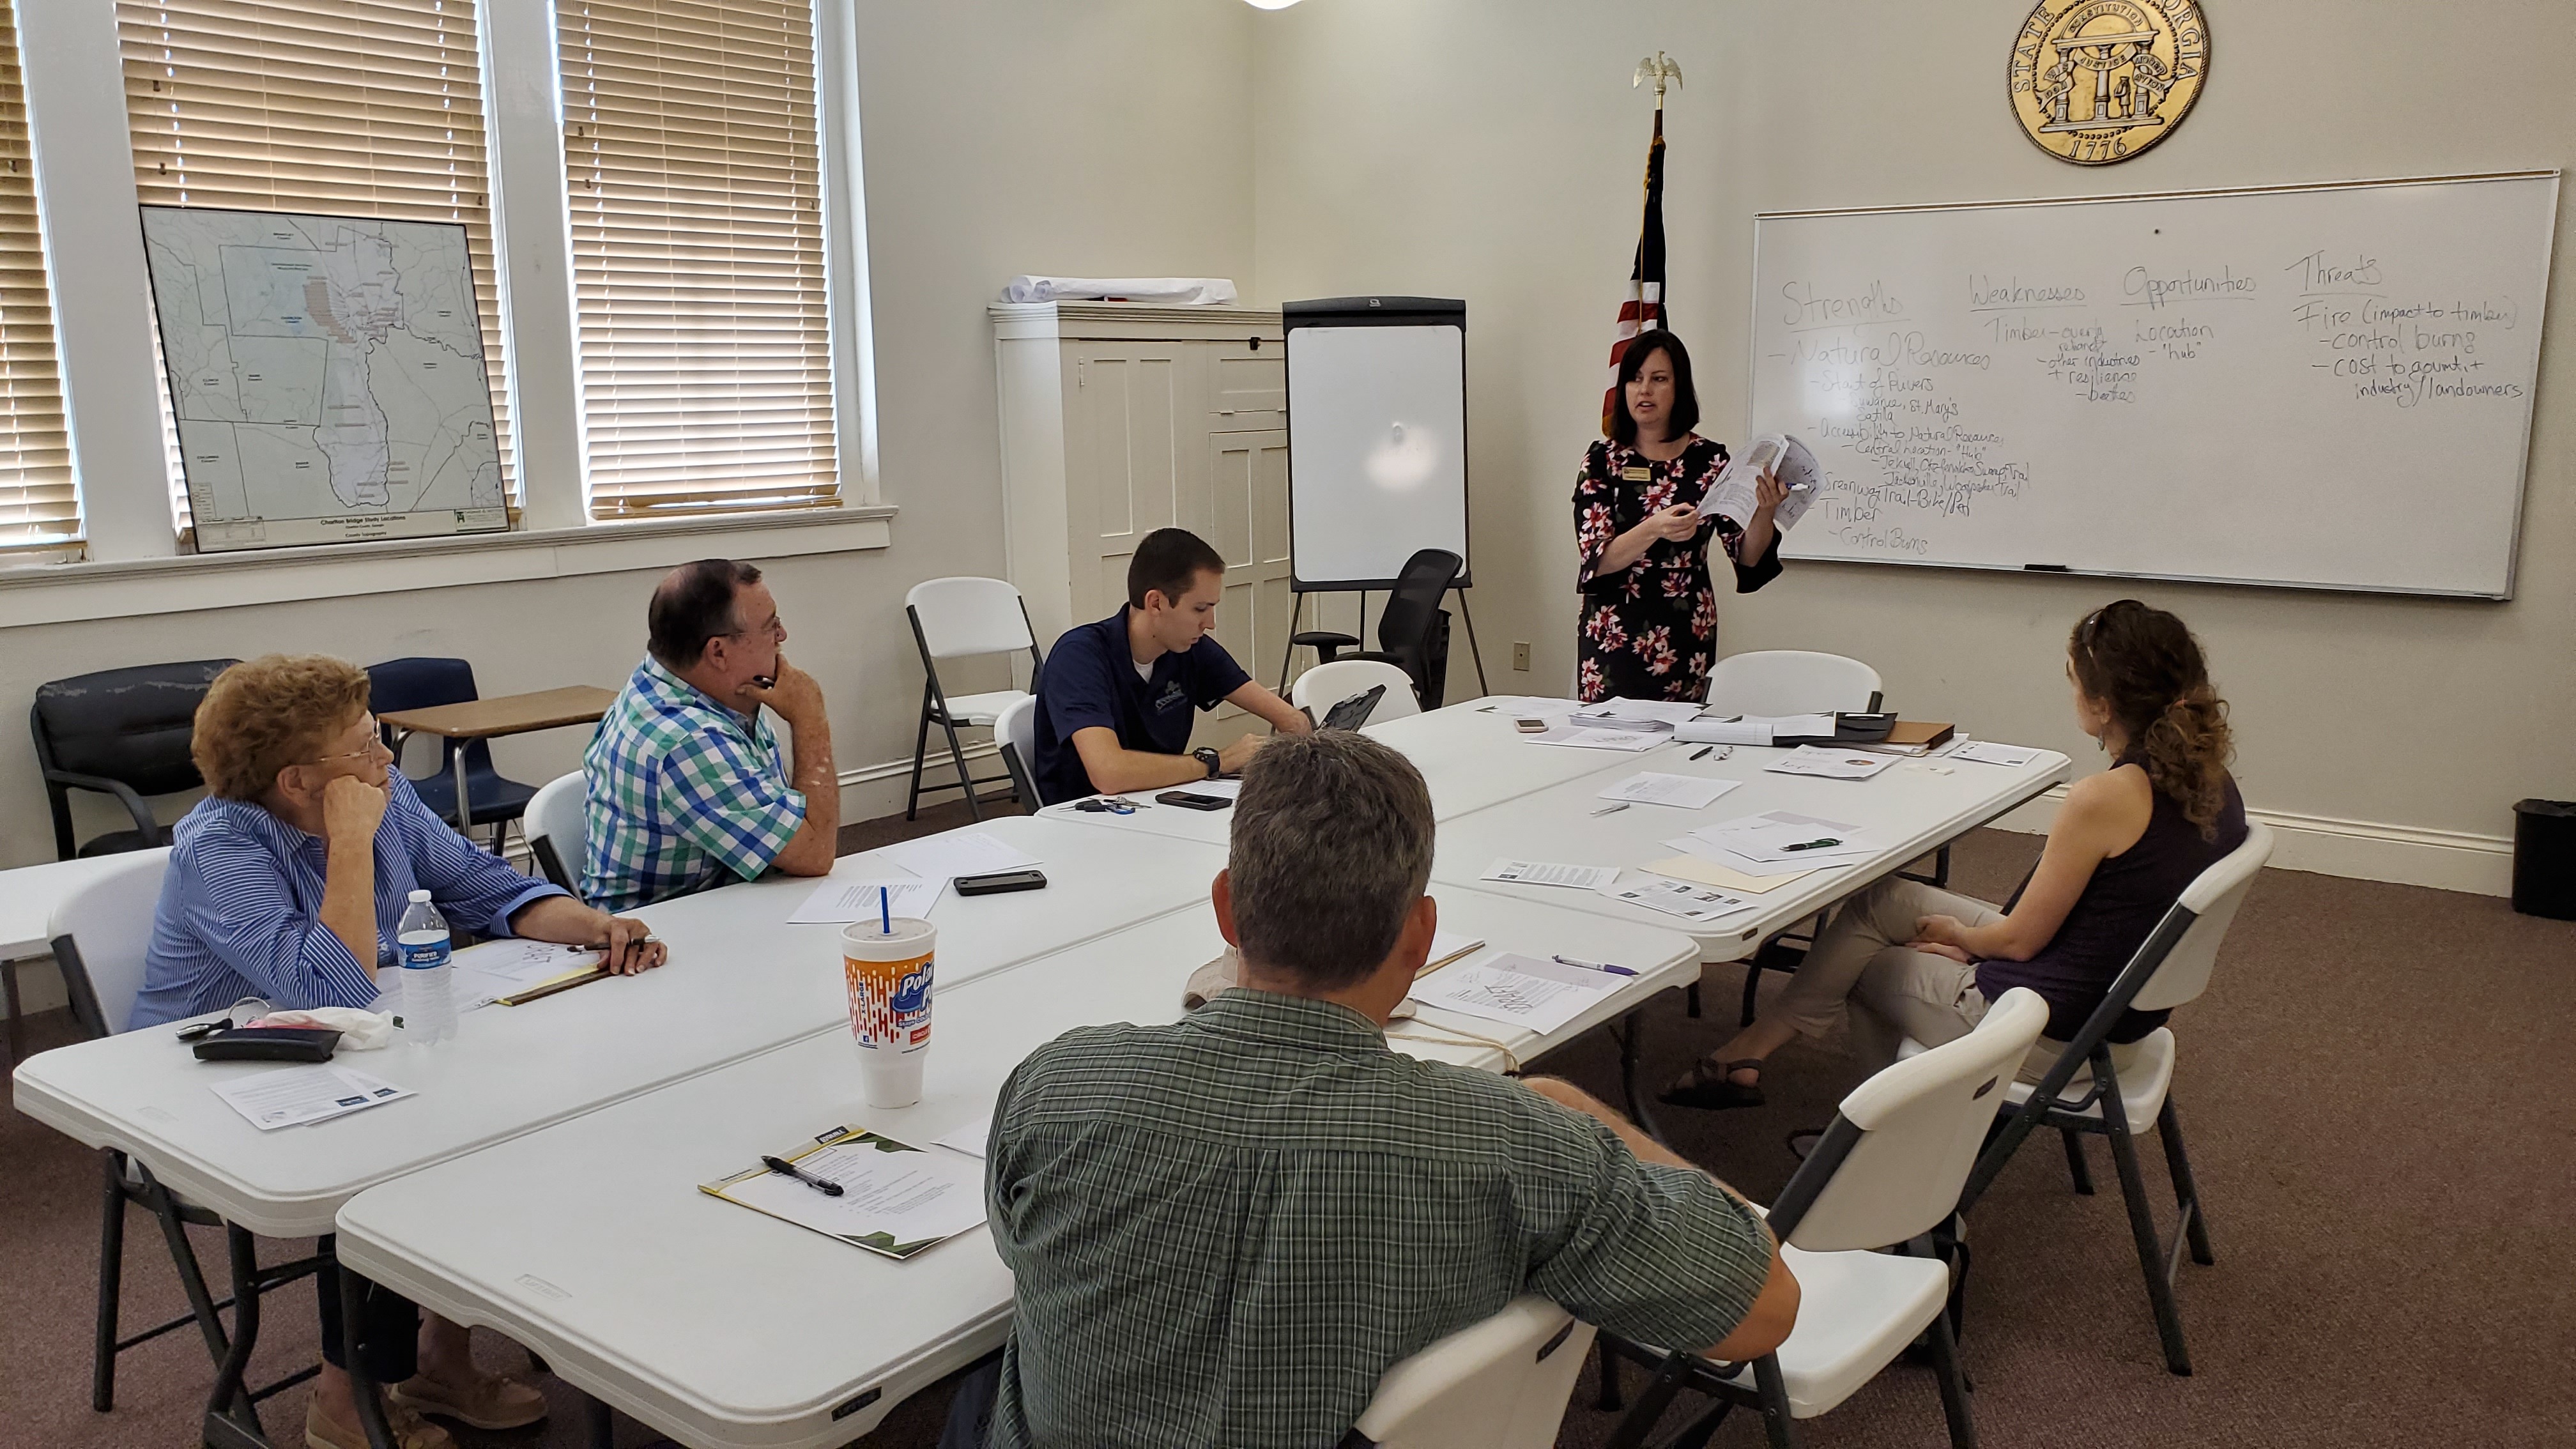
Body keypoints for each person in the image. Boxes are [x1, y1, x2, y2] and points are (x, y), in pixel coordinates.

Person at [953, 730, 1799, 1449]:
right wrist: (1579, 1113)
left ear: (1227, 911)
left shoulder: (1054, 1087)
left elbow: (1023, 1250)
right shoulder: (1514, 1146)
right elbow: (1765, 1308)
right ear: (1421, 937)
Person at [126, 654, 665, 1449]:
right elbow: (325, 991)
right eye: (364, 748)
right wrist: (350, 843)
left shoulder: (385, 793)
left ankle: (441, 1363)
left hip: (352, 1055)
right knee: (397, 1159)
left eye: (378, 740)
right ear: (300, 781)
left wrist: (596, 928)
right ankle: (341, 1405)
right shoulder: (220, 848)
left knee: (504, 1109)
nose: (385, 761)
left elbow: (485, 885)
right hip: (205, 1094)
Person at [1664, 599, 2248, 1109]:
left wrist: (1966, 945)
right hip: (2106, 998)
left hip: (2050, 1027)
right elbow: (2061, 922)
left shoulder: (2103, 799)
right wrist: (1969, 942)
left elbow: (2021, 940)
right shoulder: (2210, 776)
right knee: (1886, 900)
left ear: (2101, 705)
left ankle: (1888, 1151)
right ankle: (1750, 1052)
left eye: (2073, 679)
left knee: (1866, 968)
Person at [583, 559, 840, 912]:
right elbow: (815, 854)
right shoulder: (685, 741)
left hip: (726, 905)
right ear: (718, 651)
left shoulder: (691, 687)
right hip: (663, 941)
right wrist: (811, 720)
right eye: (771, 627)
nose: (782, 637)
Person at [1574, 329, 1788, 703]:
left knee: (1682, 749)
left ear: (1679, 388)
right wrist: (1655, 527)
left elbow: (1748, 557)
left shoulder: (1712, 461)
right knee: (1607, 747)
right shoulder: (1602, 461)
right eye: (1635, 379)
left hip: (1686, 631)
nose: (1644, 391)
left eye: (1659, 379)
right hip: (1615, 633)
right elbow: (1597, 559)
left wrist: (1764, 513)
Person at [1029, 527, 1311, 804]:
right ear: (1156, 603)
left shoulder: (1190, 648)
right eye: (1200, 609)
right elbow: (1109, 774)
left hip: (1156, 807)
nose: (1210, 623)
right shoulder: (1079, 656)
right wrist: (1218, 762)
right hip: (1085, 823)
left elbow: (1292, 720)